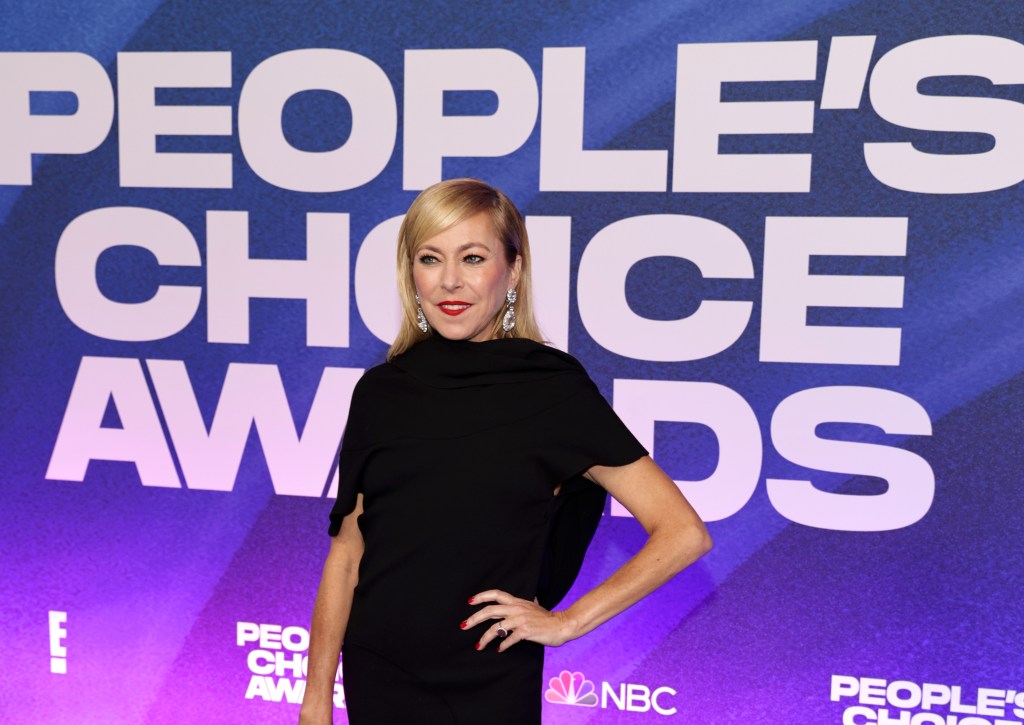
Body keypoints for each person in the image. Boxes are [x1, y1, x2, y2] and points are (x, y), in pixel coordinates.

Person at [299, 178, 712, 725]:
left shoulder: (552, 391)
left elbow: (683, 532)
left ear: (513, 271)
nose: (450, 280)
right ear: (410, 272)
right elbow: (348, 555)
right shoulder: (380, 392)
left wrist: (568, 622)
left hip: (487, 680)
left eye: (473, 258)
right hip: (379, 672)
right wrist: (316, 698)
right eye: (430, 258)